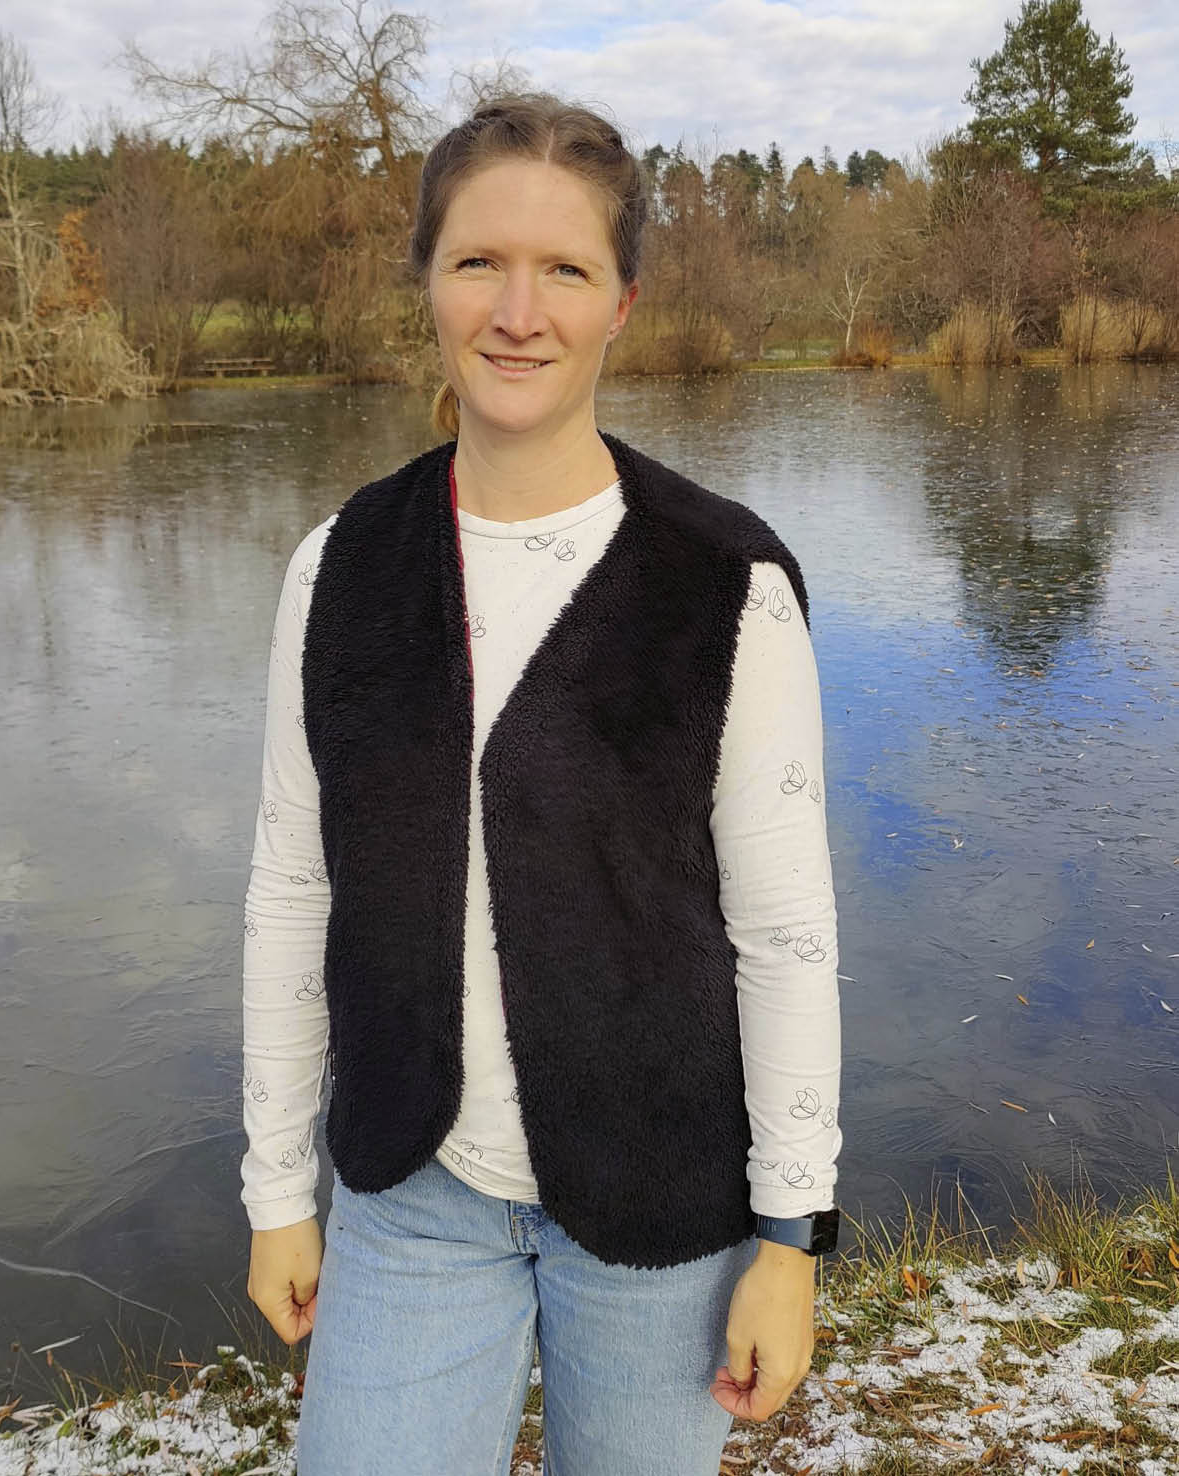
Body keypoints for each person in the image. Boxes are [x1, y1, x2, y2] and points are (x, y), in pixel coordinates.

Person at [240, 92, 843, 1476]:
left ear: (621, 303)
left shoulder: (727, 582)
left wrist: (790, 1239)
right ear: (428, 281)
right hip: (413, 1195)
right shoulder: (338, 569)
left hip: (662, 1212)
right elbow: (292, 887)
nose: (519, 313)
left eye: (564, 269)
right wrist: (277, 1188)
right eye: (479, 262)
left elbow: (783, 931)